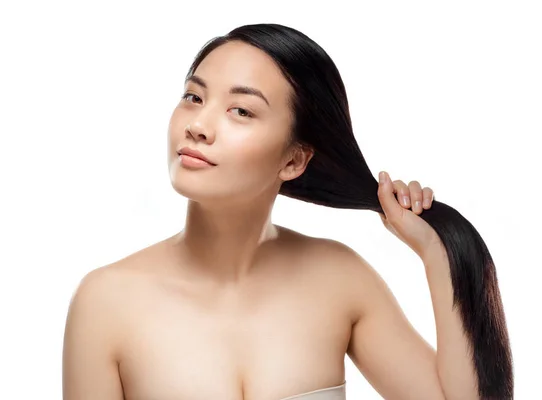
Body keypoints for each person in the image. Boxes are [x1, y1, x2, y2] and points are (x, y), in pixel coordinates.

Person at [62, 24, 513, 400]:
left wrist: (436, 251)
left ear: (294, 160)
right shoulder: (105, 302)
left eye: (241, 110)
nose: (197, 126)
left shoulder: (339, 278)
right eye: (194, 97)